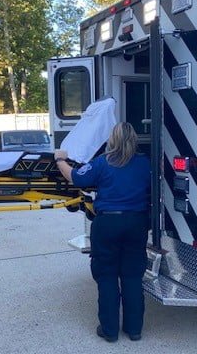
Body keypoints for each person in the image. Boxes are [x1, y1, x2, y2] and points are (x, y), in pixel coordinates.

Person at [55, 122, 150, 343]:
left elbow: (75, 177)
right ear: (134, 140)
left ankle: (109, 330)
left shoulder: (102, 163)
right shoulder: (145, 163)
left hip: (108, 224)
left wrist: (60, 159)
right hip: (137, 223)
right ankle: (134, 330)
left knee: (107, 276)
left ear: (112, 140)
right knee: (133, 277)